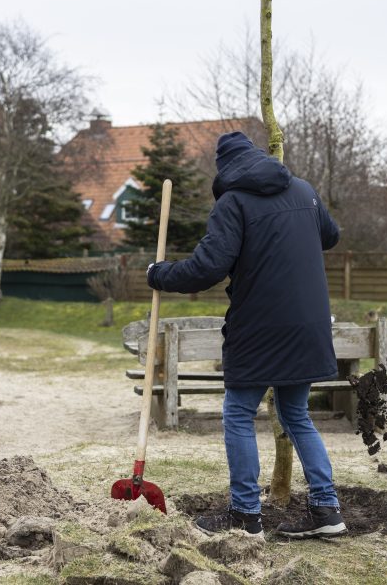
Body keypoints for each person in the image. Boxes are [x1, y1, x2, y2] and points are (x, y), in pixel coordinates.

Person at [147, 131, 347, 538]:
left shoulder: (233, 202)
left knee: (238, 413)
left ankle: (244, 515)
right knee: (296, 415)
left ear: (225, 170)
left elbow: (207, 268)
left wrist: (159, 274)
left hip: (259, 326)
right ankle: (327, 512)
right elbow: (331, 235)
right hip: (309, 324)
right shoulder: (304, 191)